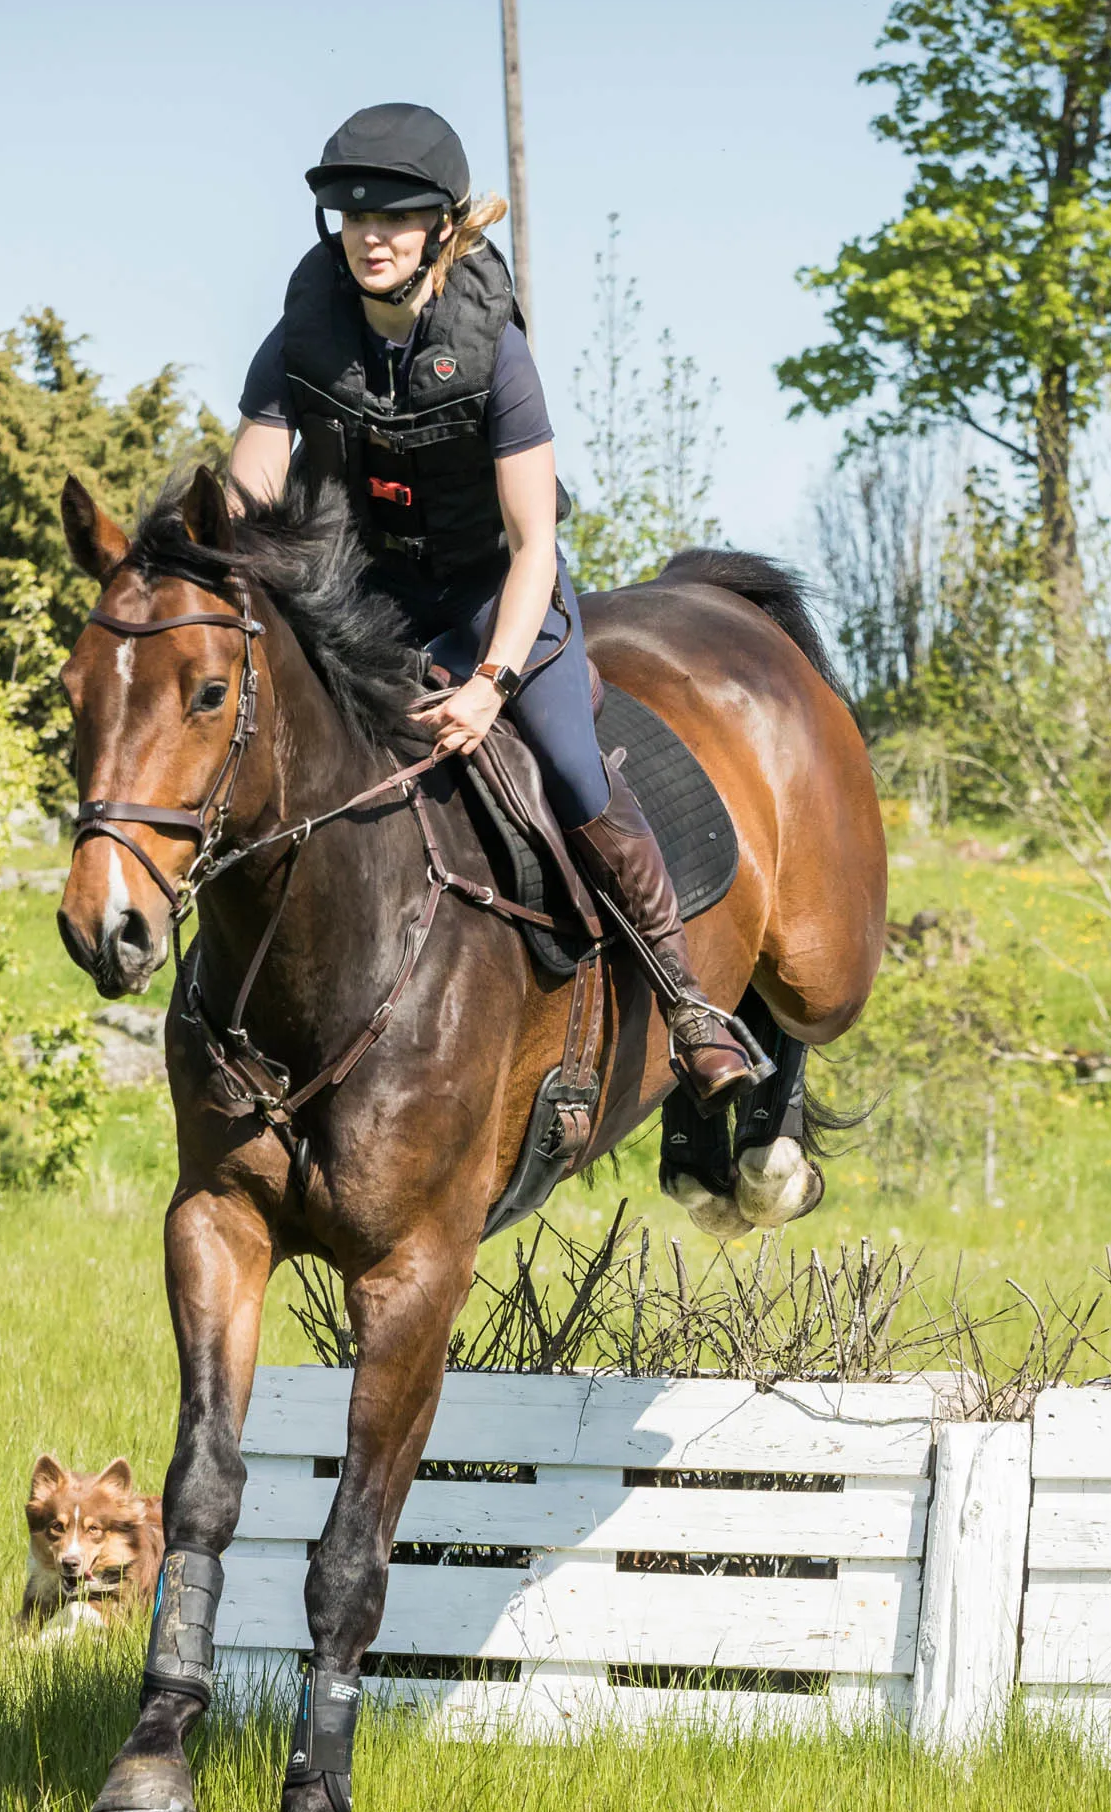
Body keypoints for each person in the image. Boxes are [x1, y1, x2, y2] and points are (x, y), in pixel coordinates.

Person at [227, 101, 753, 1111]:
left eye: (394, 215)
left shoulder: (495, 352)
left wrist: (487, 686)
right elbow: (250, 509)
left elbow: (530, 545)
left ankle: (688, 1006)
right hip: (368, 600)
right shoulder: (298, 337)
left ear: (442, 227)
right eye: (351, 213)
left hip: (492, 599)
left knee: (560, 759)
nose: (369, 234)